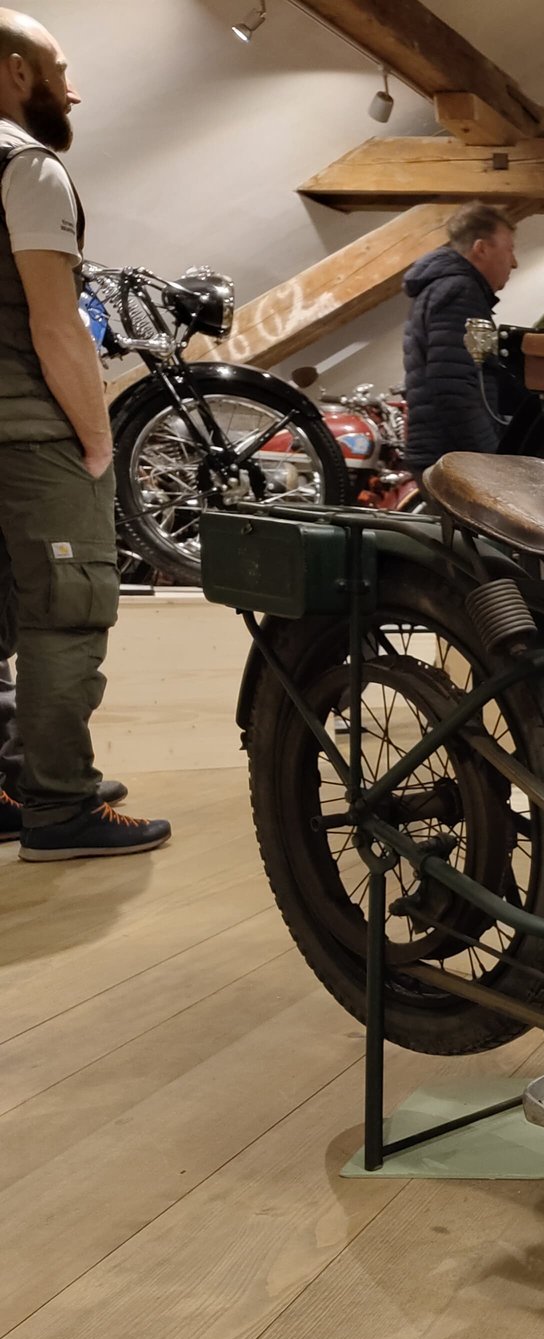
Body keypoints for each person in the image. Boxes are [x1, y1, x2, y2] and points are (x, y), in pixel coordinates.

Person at [0, 9, 167, 860]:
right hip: (27, 436)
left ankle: (10, 785)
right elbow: (54, 321)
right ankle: (60, 805)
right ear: (17, 72)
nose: (74, 90)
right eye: (60, 69)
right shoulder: (26, 166)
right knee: (67, 611)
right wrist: (97, 441)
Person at [400, 202, 520, 474]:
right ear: (481, 248)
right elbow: (453, 387)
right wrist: (490, 460)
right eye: (509, 249)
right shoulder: (460, 291)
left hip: (443, 453)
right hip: (451, 459)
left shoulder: (445, 288)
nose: (514, 262)